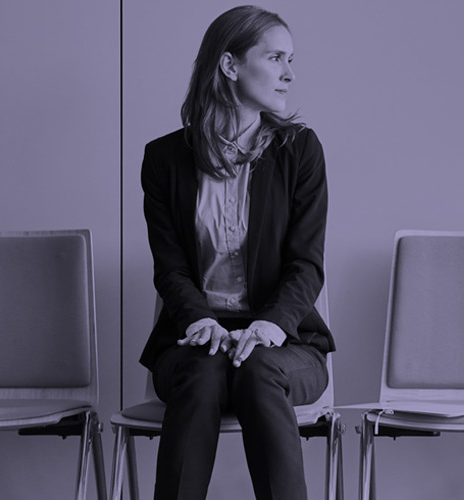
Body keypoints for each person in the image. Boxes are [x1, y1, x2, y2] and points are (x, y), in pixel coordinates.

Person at [138, 5, 332, 499]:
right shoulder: (164, 160)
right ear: (229, 65)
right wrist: (199, 321)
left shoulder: (300, 151)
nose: (289, 74)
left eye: (290, 60)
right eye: (275, 58)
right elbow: (170, 268)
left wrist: (267, 327)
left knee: (258, 367)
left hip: (286, 343)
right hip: (194, 339)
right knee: (204, 371)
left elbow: (306, 265)